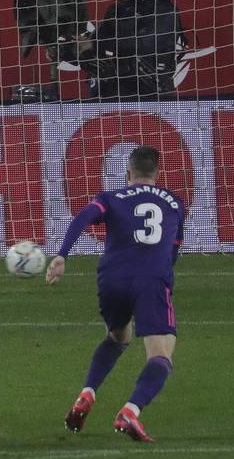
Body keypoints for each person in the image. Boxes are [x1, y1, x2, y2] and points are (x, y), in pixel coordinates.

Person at [47, 145, 185, 443]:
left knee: (118, 337)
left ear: (128, 172)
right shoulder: (174, 203)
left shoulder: (111, 198)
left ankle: (87, 393)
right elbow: (173, 250)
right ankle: (131, 411)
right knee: (161, 356)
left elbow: (83, 217)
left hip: (111, 279)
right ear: (157, 173)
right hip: (151, 280)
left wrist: (61, 255)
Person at [77, 0, 189, 100]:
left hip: (153, 92)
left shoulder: (165, 13)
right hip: (117, 89)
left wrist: (99, 43)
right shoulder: (118, 10)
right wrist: (76, 46)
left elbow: (141, 45)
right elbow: (94, 41)